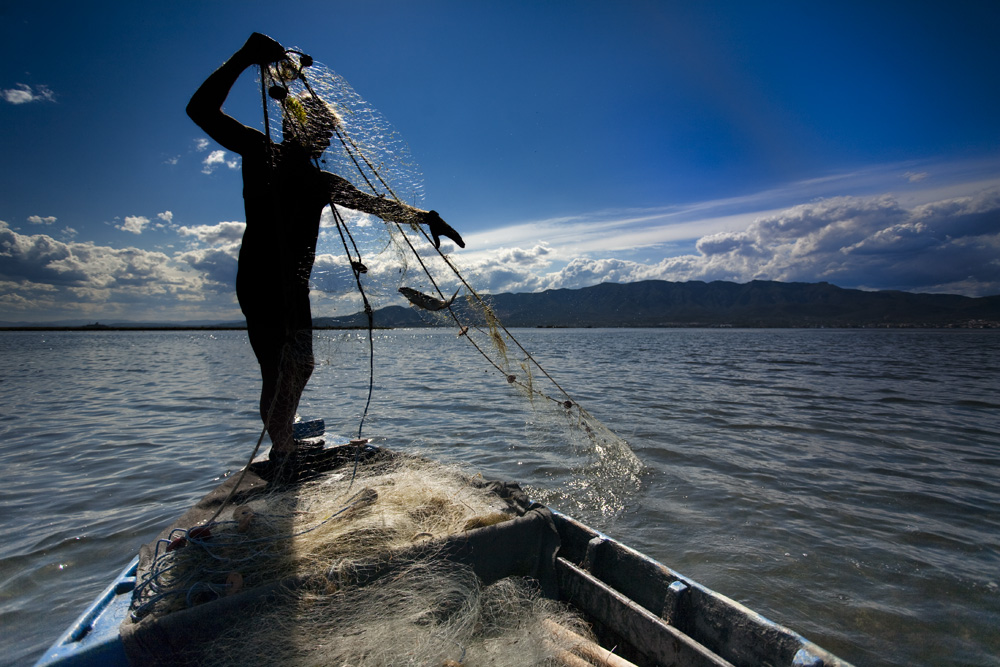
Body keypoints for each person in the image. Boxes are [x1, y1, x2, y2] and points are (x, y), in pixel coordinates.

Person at [187, 33, 463, 475]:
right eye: (321, 131)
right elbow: (200, 111)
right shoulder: (261, 151)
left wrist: (427, 216)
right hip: (261, 278)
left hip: (293, 285)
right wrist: (243, 56)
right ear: (295, 127)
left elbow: (377, 204)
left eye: (329, 134)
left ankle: (283, 442)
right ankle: (282, 452)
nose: (326, 141)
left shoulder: (320, 183)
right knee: (277, 370)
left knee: (302, 365)